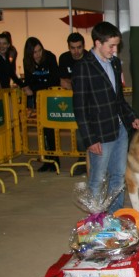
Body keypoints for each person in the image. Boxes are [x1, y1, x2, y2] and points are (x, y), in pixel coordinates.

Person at [73, 21, 139, 215]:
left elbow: (118, 98)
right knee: (97, 178)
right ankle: (95, 219)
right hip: (99, 133)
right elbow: (80, 108)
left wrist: (131, 117)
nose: (115, 50)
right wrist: (90, 139)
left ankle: (115, 214)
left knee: (118, 176)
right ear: (98, 43)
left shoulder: (114, 63)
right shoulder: (83, 67)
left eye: (117, 46)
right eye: (111, 46)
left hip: (120, 129)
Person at [23, 36, 60, 172]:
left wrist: (38, 87)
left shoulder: (50, 57)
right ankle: (47, 159)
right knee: (43, 131)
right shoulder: (27, 62)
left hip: (51, 98)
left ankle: (55, 159)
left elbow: (54, 79)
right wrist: (33, 87)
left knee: (51, 129)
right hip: (39, 99)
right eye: (34, 52)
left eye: (40, 50)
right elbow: (29, 81)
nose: (38, 54)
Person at [59, 32, 88, 173]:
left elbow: (86, 82)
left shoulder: (89, 58)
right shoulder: (64, 58)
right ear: (68, 47)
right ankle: (82, 160)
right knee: (77, 132)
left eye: (79, 47)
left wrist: (72, 83)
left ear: (84, 46)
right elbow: (62, 81)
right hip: (70, 101)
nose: (76, 51)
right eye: (73, 48)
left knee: (82, 132)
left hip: (87, 102)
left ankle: (85, 160)